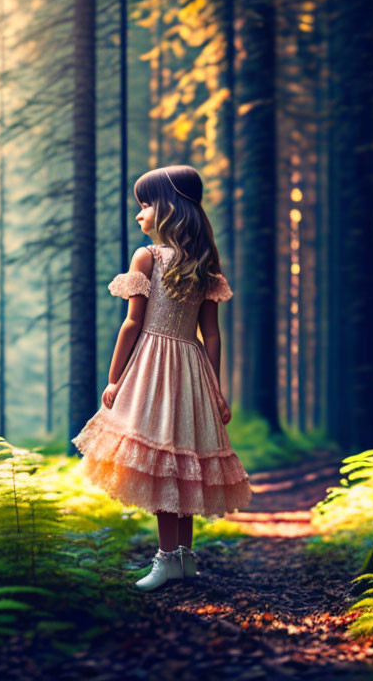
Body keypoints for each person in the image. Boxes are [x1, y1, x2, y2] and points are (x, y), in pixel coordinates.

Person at [72, 165, 253, 592]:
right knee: (182, 461)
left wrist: (114, 378)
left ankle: (168, 558)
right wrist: (215, 386)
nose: (140, 214)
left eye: (146, 204)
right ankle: (183, 560)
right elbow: (211, 334)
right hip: (190, 368)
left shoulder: (147, 257)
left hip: (153, 367)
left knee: (166, 463)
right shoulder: (205, 262)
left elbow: (132, 325)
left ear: (168, 207)